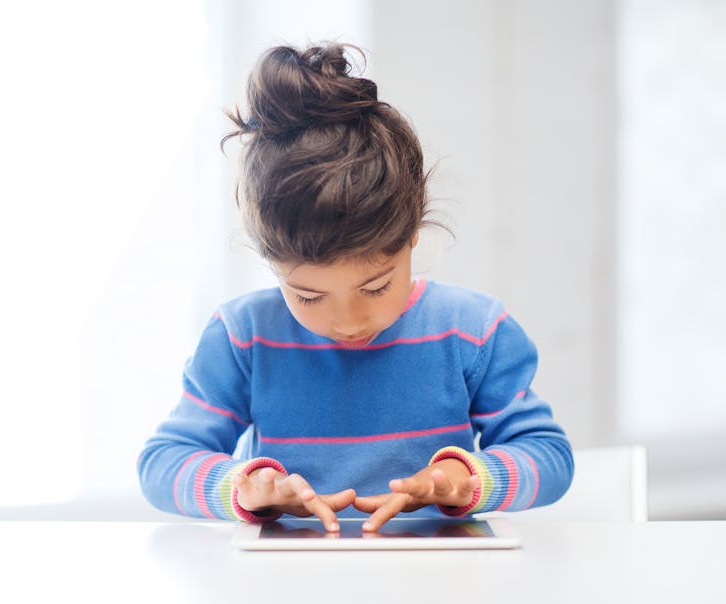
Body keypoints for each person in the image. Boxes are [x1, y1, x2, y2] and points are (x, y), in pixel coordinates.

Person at [138, 42, 573, 532]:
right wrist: (247, 486)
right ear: (270, 263)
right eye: (308, 296)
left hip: (443, 581)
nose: (347, 321)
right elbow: (162, 463)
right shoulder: (243, 337)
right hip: (286, 584)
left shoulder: (473, 331)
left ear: (412, 236)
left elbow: (549, 456)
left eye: (375, 286)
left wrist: (468, 479)